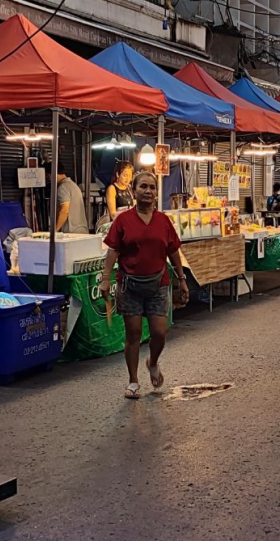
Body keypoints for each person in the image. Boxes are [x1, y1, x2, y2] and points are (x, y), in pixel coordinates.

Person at [101, 171, 189, 399]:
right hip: (129, 284)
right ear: (134, 190)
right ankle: (133, 381)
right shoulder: (123, 220)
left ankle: (153, 361)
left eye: (152, 187)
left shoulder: (163, 221)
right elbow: (113, 250)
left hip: (158, 284)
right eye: (143, 187)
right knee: (133, 334)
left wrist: (182, 278)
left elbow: (173, 251)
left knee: (159, 333)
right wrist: (105, 278)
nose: (148, 191)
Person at [47, 166, 89, 234]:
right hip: (81, 229)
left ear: (53, 174)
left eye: (48, 176)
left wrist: (54, 231)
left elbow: (64, 210)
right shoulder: (73, 185)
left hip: (72, 232)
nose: (49, 180)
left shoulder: (63, 187)